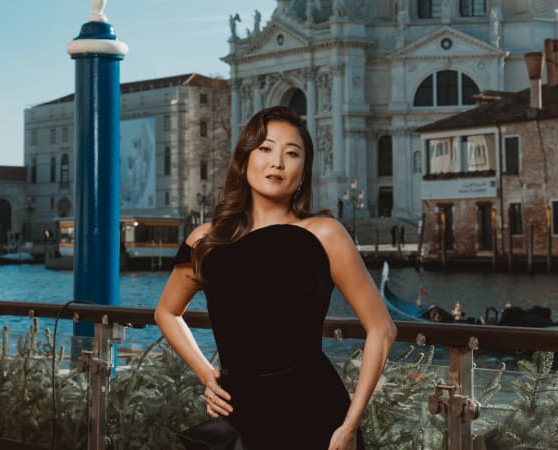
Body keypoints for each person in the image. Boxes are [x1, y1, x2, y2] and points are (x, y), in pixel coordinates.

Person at [155, 106, 397, 450]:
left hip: (316, 415)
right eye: (265, 148)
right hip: (240, 411)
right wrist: (208, 375)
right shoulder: (205, 240)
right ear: (245, 159)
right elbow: (166, 312)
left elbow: (383, 329)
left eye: (292, 153)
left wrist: (349, 425)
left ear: (304, 169)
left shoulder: (325, 233)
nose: (277, 162)